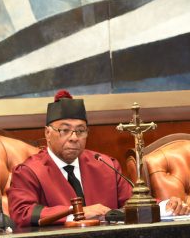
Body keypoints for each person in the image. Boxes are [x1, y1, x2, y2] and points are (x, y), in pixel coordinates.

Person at [7, 90, 134, 227]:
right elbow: (22, 213)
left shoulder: (106, 165)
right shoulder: (29, 172)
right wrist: (77, 213)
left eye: (80, 131)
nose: (74, 138)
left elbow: (134, 205)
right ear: (48, 133)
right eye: (65, 130)